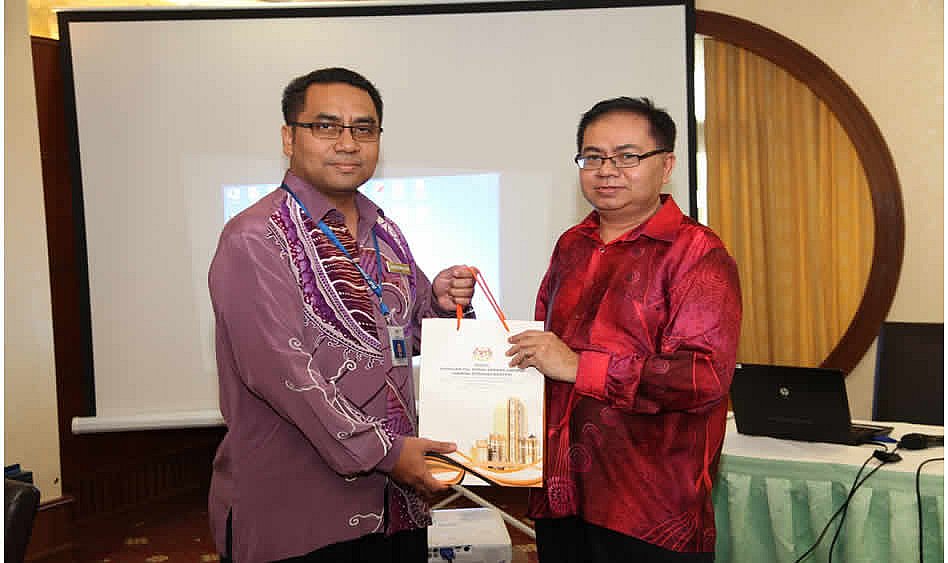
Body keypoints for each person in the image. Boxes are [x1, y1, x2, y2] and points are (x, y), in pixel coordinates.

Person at [208, 67, 476, 562]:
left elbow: (402, 336)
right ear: (289, 138)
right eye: (326, 126)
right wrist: (388, 453)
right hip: (301, 512)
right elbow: (283, 372)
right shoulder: (255, 237)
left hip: (397, 503)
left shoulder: (384, 230)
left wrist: (439, 304)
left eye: (363, 129)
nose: (348, 143)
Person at [506, 97, 742, 562]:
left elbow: (703, 376)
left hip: (648, 509)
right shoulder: (572, 245)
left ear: (666, 165)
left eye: (627, 156)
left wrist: (581, 367)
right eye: (593, 157)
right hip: (561, 494)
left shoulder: (697, 253)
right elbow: (544, 352)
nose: (607, 171)